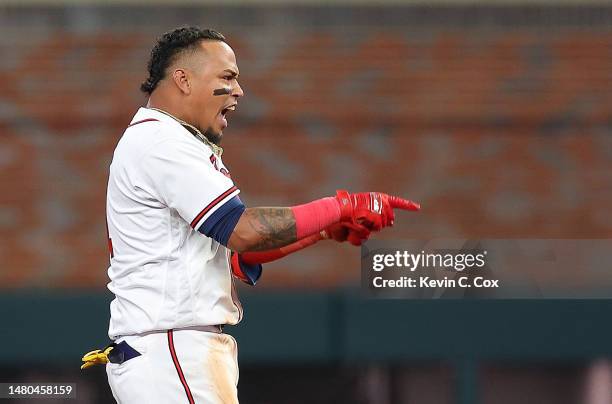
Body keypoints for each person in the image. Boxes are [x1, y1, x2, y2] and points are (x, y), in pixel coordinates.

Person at [80, 26, 419, 404]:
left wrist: (325, 229)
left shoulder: (164, 140)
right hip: (172, 351)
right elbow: (244, 232)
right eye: (227, 77)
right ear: (183, 79)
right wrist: (341, 206)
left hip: (169, 351)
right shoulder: (161, 141)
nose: (238, 90)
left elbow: (238, 254)